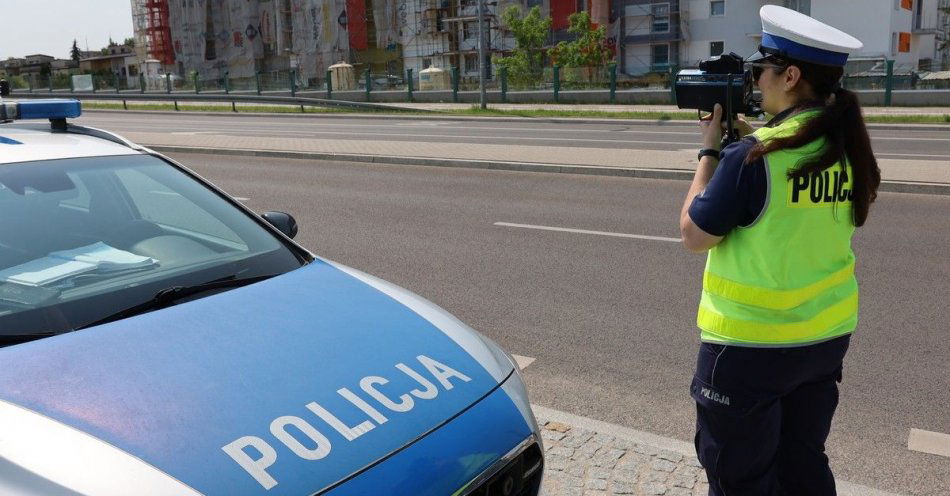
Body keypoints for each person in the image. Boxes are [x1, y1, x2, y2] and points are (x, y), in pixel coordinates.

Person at [677, 5, 881, 495]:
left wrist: (710, 151)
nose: (755, 81)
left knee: (741, 481)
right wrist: (744, 146)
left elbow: (693, 233)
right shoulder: (844, 146)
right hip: (822, 342)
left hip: (749, 352)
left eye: (759, 70)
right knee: (803, 466)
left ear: (789, 75)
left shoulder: (752, 157)